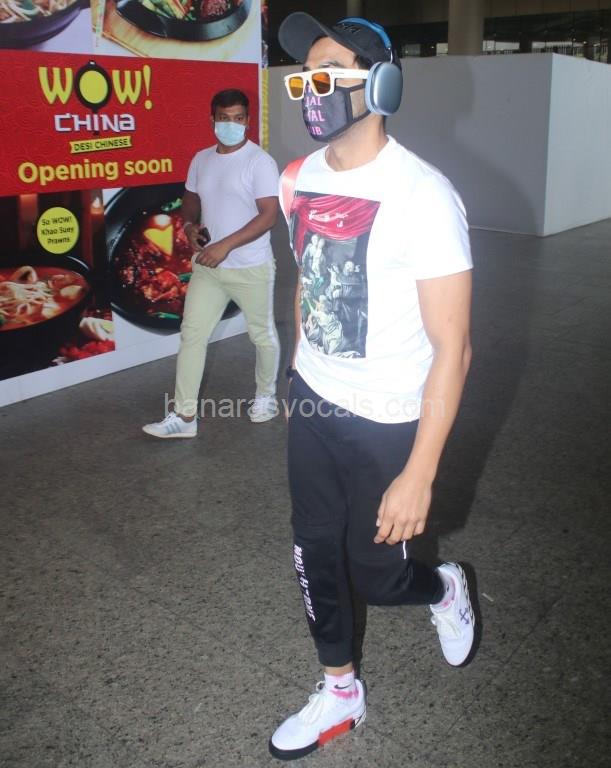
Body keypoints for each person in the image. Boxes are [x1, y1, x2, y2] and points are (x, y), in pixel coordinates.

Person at [270, 13, 475, 760]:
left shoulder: (424, 195)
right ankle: (339, 690)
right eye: (304, 78)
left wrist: (420, 473)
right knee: (313, 553)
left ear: (381, 85)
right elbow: (307, 280)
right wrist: (296, 371)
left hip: (389, 419)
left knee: (379, 577)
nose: (311, 90)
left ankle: (443, 586)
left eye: (330, 75)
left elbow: (454, 347)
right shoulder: (299, 178)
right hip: (314, 402)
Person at [143, 89, 281, 438]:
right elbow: (190, 198)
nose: (231, 124)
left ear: (248, 120)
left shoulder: (259, 162)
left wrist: (225, 246)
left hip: (250, 266)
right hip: (208, 267)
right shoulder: (201, 159)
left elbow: (268, 216)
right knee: (192, 335)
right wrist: (189, 226)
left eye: (238, 118)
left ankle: (266, 396)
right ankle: (184, 417)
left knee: (262, 335)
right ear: (212, 120)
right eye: (224, 118)